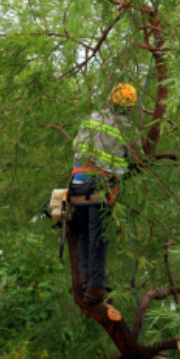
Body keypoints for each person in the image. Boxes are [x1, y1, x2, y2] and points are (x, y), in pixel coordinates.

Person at [69, 83, 135, 304]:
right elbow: (135, 156)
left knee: (85, 233)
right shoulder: (125, 126)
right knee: (99, 236)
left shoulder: (90, 117)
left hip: (77, 183)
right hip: (100, 186)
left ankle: (85, 279)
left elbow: (76, 146)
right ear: (129, 107)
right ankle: (96, 287)